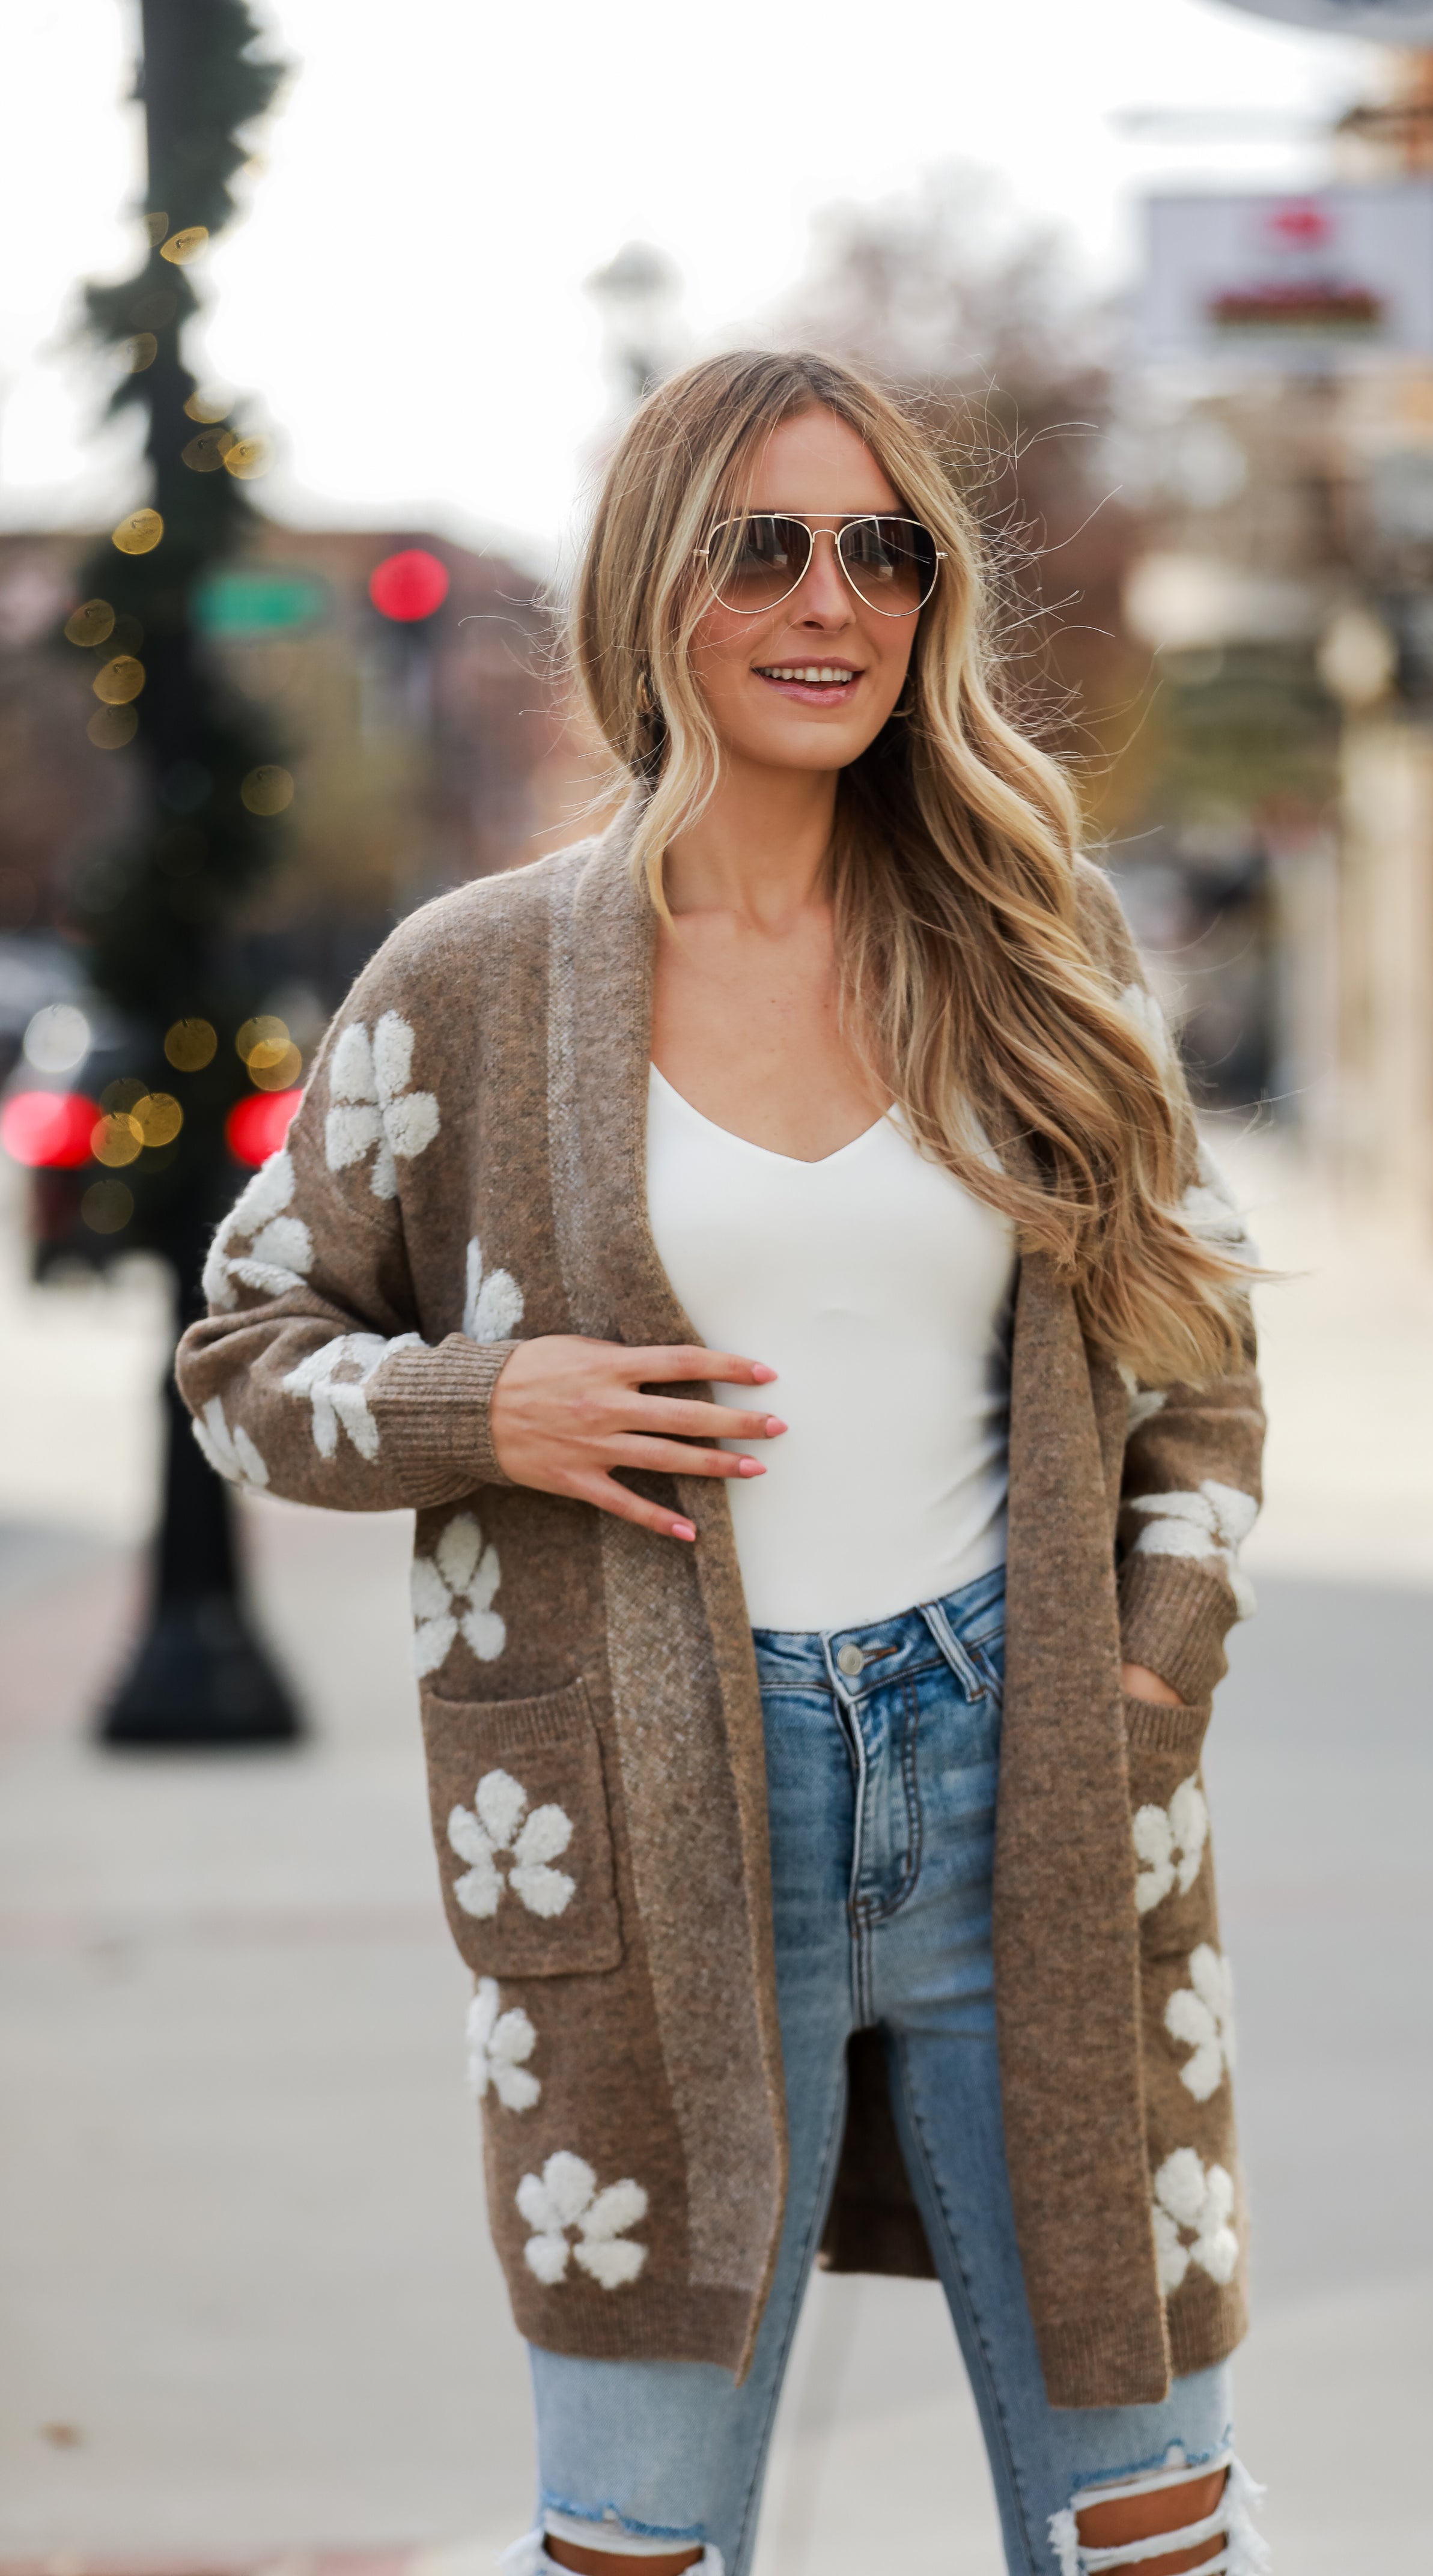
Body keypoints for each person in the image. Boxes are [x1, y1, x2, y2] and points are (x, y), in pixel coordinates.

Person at [177, 348, 1267, 2576]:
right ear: (649, 588)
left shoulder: (1036, 950)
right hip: (648, 1799)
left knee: (1151, 2526)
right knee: (638, 2542)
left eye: (879, 549)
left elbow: (1201, 1344)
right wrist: (495, 1406)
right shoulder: (472, 984)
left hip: (1032, 1787)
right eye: (759, 544)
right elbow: (239, 1351)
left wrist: (1156, 1664)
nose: (829, 601)